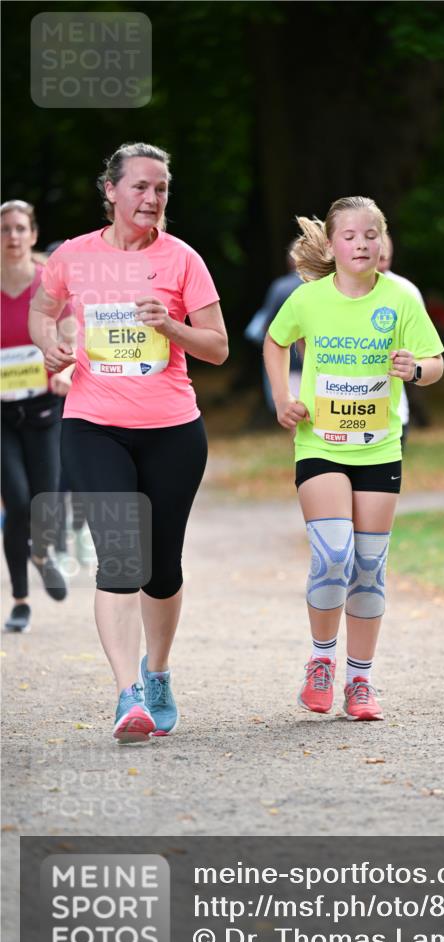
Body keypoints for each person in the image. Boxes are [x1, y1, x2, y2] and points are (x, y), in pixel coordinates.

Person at [29, 142, 228, 743]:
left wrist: (171, 326)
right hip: (93, 425)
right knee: (120, 558)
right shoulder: (73, 256)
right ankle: (127, 695)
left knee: (161, 567)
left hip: (173, 431)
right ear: (110, 190)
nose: (152, 198)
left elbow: (217, 347)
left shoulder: (182, 260)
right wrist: (49, 343)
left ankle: (158, 672)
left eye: (161, 188)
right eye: (140, 186)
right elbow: (42, 309)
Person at [264, 196, 444, 721]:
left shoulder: (401, 298)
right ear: (333, 243)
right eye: (350, 235)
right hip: (320, 446)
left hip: (380, 448)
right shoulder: (309, 299)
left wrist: (414, 370)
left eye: (372, 234)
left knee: (369, 566)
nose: (362, 243)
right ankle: (321, 662)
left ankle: (360, 680)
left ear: (382, 241)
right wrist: (282, 397)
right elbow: (275, 343)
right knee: (333, 554)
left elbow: (435, 364)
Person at [1, 199, 76, 633]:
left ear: (32, 234)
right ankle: (20, 601)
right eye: (5, 229)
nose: (12, 236)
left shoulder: (49, 284)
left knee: (44, 502)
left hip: (44, 408)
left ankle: (42, 553)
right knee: (17, 499)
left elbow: (70, 335)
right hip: (0, 415)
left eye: (20, 229)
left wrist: (65, 368)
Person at [245, 241, 303, 413]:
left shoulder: (281, 287)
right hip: (321, 363)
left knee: (295, 414)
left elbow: (267, 327)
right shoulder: (324, 285)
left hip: (289, 363)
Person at [377, 233, 423, 440]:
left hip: (391, 411)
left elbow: (425, 352)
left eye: (385, 257)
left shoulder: (405, 291)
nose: (381, 263)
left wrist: (413, 367)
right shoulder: (331, 289)